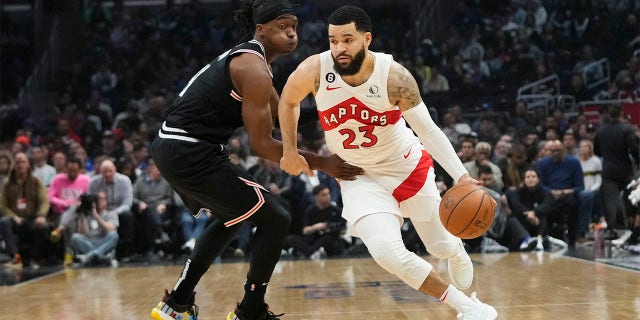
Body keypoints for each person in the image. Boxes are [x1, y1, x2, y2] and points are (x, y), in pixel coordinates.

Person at [278, 5, 497, 320]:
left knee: (439, 247)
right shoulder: (314, 70)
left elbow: (428, 131)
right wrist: (289, 148)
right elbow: (287, 100)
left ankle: (455, 250)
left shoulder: (394, 77)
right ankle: (467, 307)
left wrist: (461, 176)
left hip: (405, 166)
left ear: (367, 39)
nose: (339, 48)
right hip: (357, 175)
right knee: (386, 252)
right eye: (333, 40)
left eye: (348, 40)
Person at [149, 2, 363, 320]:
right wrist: (323, 163)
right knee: (276, 217)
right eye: (282, 26)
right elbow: (262, 145)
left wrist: (335, 104)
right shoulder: (254, 69)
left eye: (294, 26)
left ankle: (176, 303)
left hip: (179, 148)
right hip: (189, 150)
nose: (291, 32)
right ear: (261, 29)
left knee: (231, 217)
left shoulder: (255, 61)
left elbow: (280, 118)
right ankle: (250, 311)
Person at [594, 105, 640, 245]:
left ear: (608, 113)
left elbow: (597, 151)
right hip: (625, 169)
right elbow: (633, 150)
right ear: (621, 113)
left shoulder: (601, 130)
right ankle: (630, 230)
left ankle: (612, 229)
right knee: (630, 200)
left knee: (610, 201)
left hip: (608, 170)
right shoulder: (627, 129)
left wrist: (609, 156)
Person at [0, 152, 50, 268]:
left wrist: (41, 215)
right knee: (4, 222)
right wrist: (14, 217)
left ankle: (35, 259)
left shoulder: (36, 182)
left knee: (42, 226)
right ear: (14, 165)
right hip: (16, 219)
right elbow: (2, 205)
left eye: (23, 162)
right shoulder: (7, 184)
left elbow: (44, 201)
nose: (20, 165)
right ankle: (15, 257)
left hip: (32, 218)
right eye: (18, 162)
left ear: (28, 165)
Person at [285, 184, 348, 259]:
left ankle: (308, 253)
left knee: (327, 239)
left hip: (330, 240)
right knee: (291, 238)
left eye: (328, 193)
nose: (328, 196)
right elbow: (305, 231)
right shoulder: (310, 211)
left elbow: (343, 230)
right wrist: (315, 227)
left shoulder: (337, 210)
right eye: (324, 194)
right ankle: (314, 252)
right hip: (314, 239)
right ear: (317, 197)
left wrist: (331, 228)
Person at [56, 192, 119, 266]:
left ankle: (91, 256)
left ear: (106, 201)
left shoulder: (111, 213)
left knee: (114, 235)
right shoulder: (87, 213)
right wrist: (82, 214)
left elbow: (110, 229)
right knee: (75, 237)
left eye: (101, 199)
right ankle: (101, 257)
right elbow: (84, 233)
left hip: (103, 242)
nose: (99, 201)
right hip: (88, 243)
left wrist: (96, 215)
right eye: (97, 199)